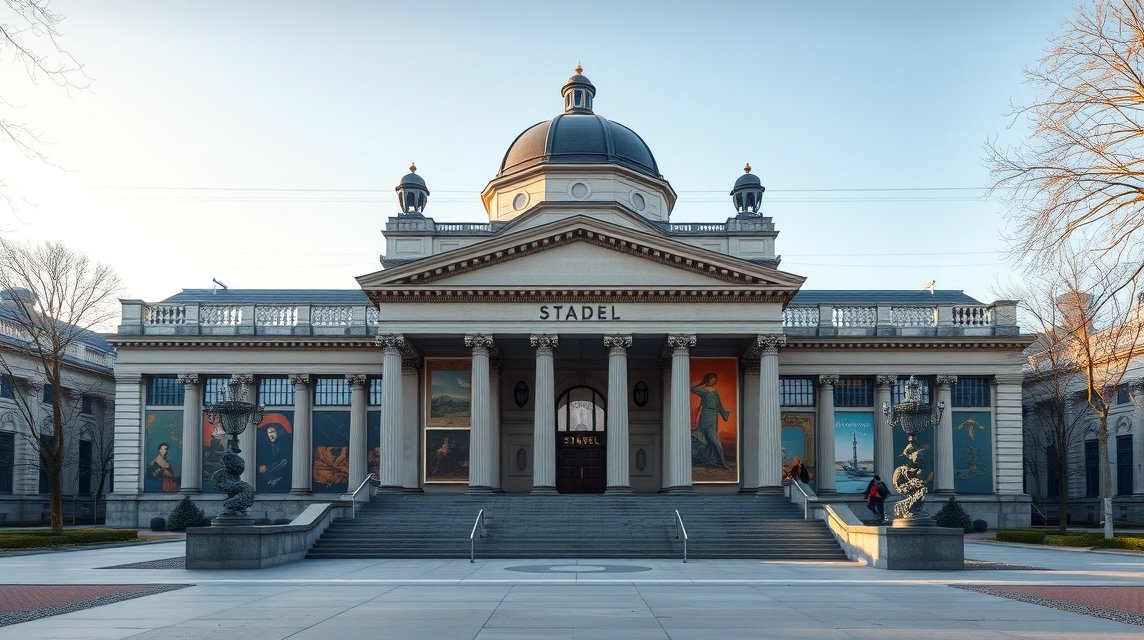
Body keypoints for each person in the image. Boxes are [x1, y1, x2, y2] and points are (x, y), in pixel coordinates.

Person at [691, 372, 731, 469]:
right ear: (708, 379)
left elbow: (719, 405)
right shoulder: (703, 390)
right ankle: (721, 462)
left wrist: (724, 414)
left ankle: (720, 461)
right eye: (712, 380)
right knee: (708, 439)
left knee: (713, 439)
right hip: (705, 416)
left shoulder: (715, 391)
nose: (713, 382)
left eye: (715, 381)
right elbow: (691, 389)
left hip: (713, 416)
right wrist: (702, 384)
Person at [256, 423, 291, 491]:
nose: (270, 435)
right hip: (267, 481)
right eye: (269, 433)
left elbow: (286, 463)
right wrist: (259, 468)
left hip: (283, 481)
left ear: (278, 432)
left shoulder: (287, 444)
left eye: (272, 432)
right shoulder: (264, 446)